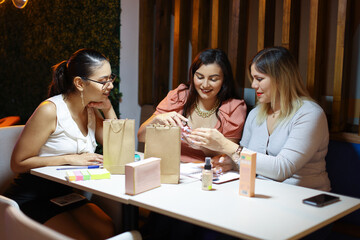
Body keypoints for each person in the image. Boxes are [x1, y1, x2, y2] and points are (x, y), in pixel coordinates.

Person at [4, 48, 117, 239]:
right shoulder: (49, 111)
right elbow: (18, 163)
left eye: (111, 78)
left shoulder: (91, 109)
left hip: (65, 194)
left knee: (108, 230)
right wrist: (70, 159)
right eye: (103, 81)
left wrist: (108, 109)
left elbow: (116, 147)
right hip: (31, 197)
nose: (111, 86)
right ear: (80, 83)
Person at [188, 46, 331, 192]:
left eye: (259, 79)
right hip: (261, 192)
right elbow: (245, 158)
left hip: (303, 196)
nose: (253, 85)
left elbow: (282, 169)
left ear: (281, 79)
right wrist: (230, 163)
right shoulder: (256, 113)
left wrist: (225, 145)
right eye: (253, 78)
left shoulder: (309, 114)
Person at [137, 48, 247, 163]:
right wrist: (157, 119)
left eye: (213, 79)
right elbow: (141, 137)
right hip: (170, 167)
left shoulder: (233, 108)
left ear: (224, 80)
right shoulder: (179, 96)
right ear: (193, 75)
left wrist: (202, 147)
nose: (205, 85)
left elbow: (230, 155)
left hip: (206, 172)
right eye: (199, 77)